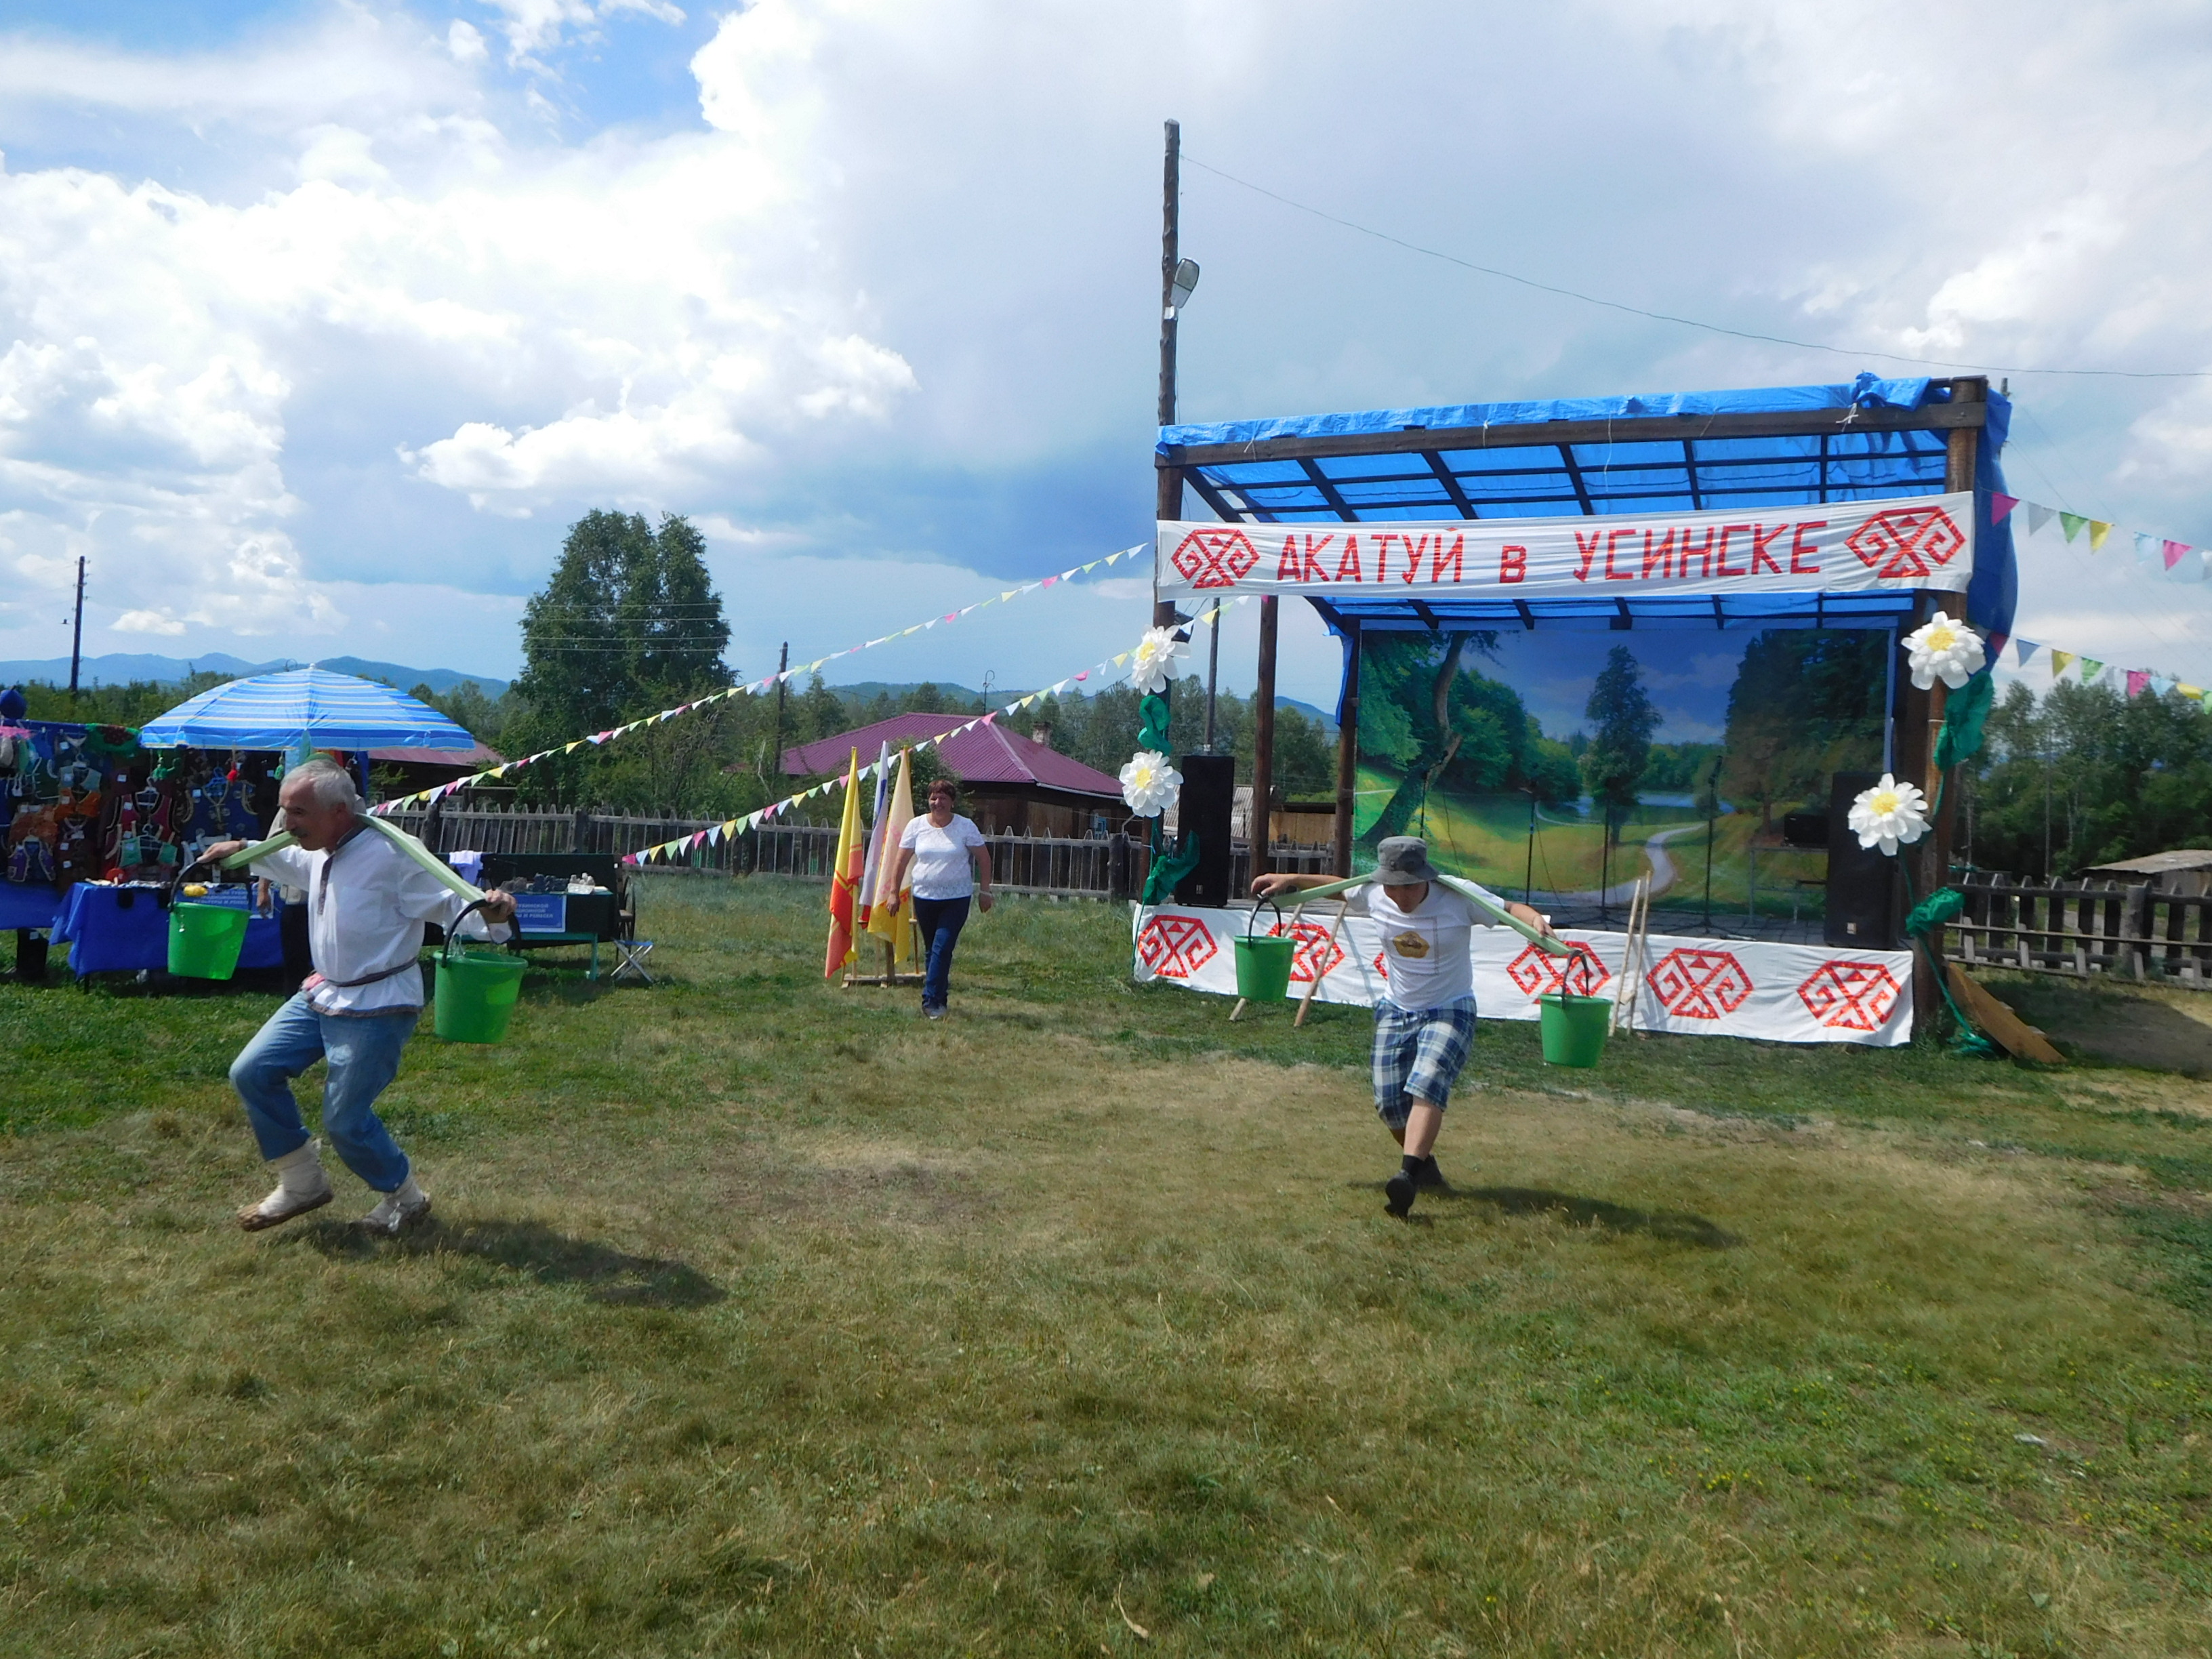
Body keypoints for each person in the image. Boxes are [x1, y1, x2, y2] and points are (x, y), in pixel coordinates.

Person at [203, 756, 516, 1236]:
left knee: (346, 1120)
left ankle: (406, 1198)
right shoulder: (318, 845)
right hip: (323, 990)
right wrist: (243, 850)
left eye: (298, 813)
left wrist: (493, 913)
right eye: (287, 812)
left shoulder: (394, 855)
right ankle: (301, 1181)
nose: (288, 824)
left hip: (380, 1002)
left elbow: (452, 900)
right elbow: (289, 859)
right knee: (253, 1072)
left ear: (339, 813)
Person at [1254, 835, 1557, 1219]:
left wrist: (1537, 924)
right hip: (1396, 1009)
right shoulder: (1376, 893)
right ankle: (1424, 1166)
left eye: (1409, 886)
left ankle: (1407, 1176)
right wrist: (1290, 878)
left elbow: (1511, 907)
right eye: (1393, 887)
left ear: (1426, 877)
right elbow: (1339, 889)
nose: (1401, 896)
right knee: (1389, 1104)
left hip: (1450, 1008)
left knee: (1427, 1083)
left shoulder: (1459, 895)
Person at [884, 775, 993, 1019]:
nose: (938, 803)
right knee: (932, 950)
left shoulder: (965, 827)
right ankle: (940, 999)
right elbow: (900, 861)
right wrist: (893, 893)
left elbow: (984, 860)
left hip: (956, 898)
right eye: (933, 798)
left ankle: (930, 1002)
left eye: (943, 798)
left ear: (952, 802)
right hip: (924, 897)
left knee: (942, 948)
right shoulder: (916, 826)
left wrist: (985, 892)